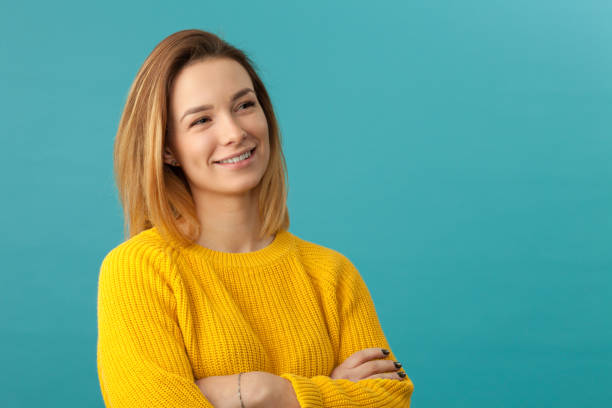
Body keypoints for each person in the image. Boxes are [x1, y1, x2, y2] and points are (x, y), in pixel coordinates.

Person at [96, 29, 415, 408]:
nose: (234, 132)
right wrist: (330, 392)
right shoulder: (139, 270)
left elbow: (391, 399)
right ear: (167, 149)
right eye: (201, 120)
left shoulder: (332, 274)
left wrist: (269, 393)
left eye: (244, 105)